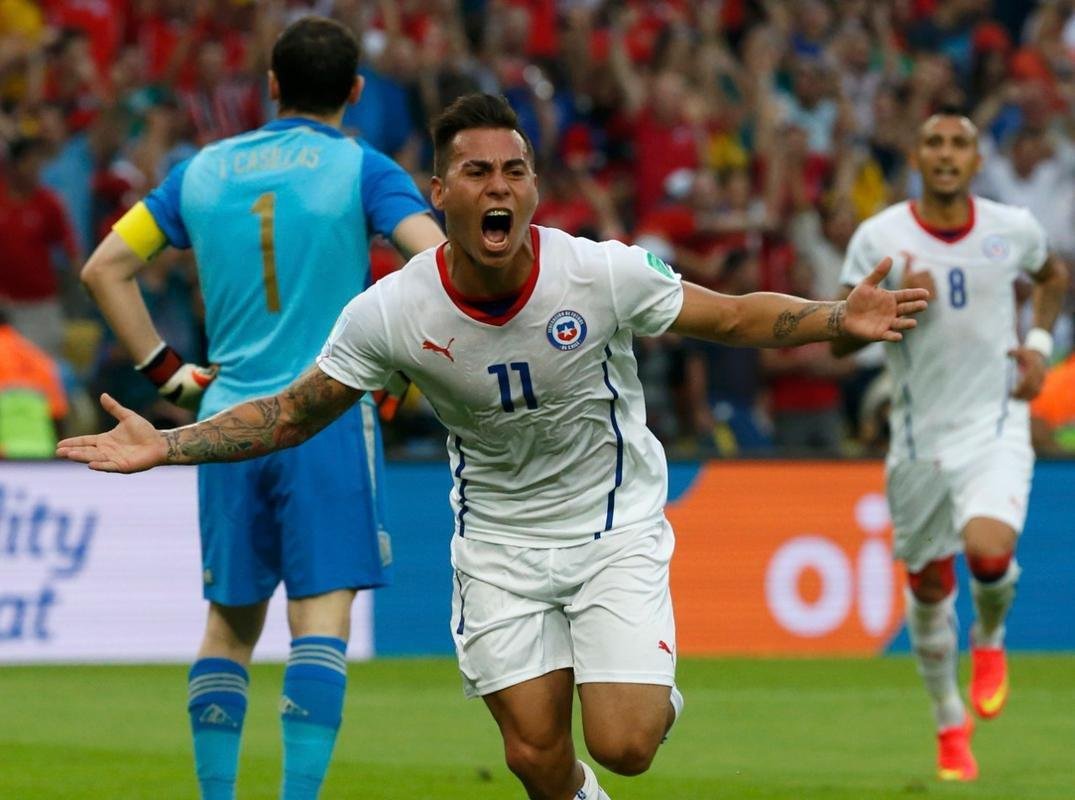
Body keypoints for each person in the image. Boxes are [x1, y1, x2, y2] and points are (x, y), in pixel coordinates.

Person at [59, 93, 927, 800]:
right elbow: (291, 414)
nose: (497, 186)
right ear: (440, 193)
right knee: (532, 756)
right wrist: (168, 444)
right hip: (499, 546)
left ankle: (644, 687)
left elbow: (730, 317)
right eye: (476, 172)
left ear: (534, 189)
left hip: (610, 527)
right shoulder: (392, 311)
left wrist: (833, 318)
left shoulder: (599, 273)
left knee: (625, 744)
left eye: (513, 170)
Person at [76, 17, 444, 800]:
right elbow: (435, 259)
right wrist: (403, 361)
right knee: (320, 622)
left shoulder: (200, 171)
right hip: (326, 417)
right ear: (355, 90)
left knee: (228, 625)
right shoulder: (364, 167)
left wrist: (171, 377)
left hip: (223, 423)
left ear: (271, 86)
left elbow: (104, 268)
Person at [833, 110, 1069, 782]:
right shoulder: (879, 237)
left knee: (989, 550)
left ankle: (989, 638)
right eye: (932, 142)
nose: (945, 154)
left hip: (994, 422)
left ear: (974, 160)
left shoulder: (1010, 227)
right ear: (915, 156)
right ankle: (947, 720)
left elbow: (1052, 276)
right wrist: (888, 309)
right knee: (929, 586)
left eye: (958, 144)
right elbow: (838, 337)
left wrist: (1036, 347)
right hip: (917, 440)